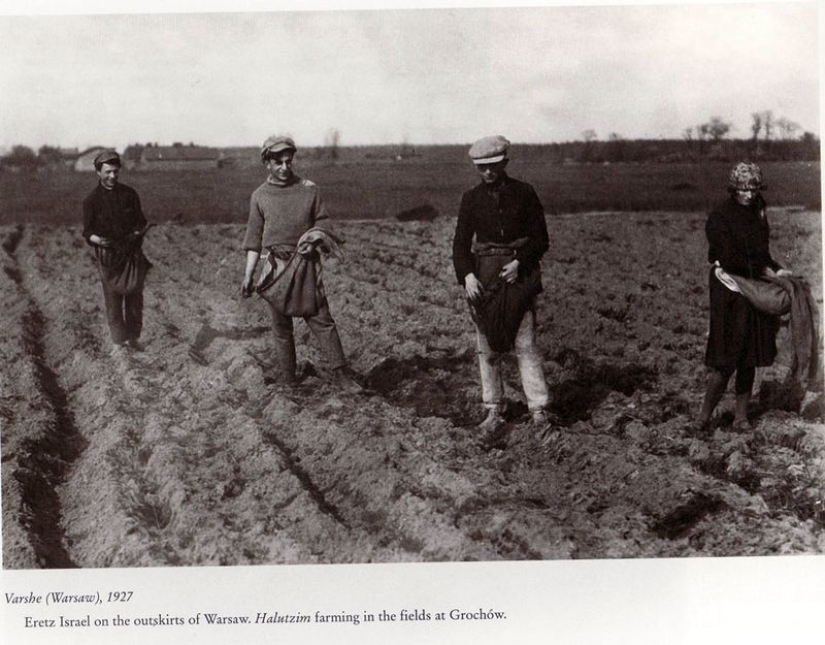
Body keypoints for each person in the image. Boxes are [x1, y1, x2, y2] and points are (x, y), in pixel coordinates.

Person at [242, 135, 362, 393]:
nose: (285, 167)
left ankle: (343, 377)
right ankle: (288, 379)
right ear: (267, 162)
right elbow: (253, 240)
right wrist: (248, 276)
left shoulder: (309, 190)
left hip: (304, 266)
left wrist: (316, 237)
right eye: (278, 163)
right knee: (281, 327)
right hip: (275, 269)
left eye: (288, 161)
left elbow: (324, 222)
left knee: (321, 319)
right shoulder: (260, 197)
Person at [452, 135, 552, 441]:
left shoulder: (524, 193)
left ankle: (539, 410)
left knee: (525, 344)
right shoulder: (471, 199)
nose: (487, 173)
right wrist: (467, 276)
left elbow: (540, 239)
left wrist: (520, 262)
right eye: (481, 168)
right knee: (487, 347)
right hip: (485, 277)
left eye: (492, 166)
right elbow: (460, 244)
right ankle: (494, 408)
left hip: (518, 277)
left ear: (504, 163)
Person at [695, 161, 792, 431]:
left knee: (749, 354)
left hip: (753, 285)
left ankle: (741, 416)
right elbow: (727, 257)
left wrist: (777, 268)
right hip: (729, 289)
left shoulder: (758, 212)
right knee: (726, 356)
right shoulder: (720, 217)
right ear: (734, 189)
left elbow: (762, 251)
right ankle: (703, 417)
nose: (750, 195)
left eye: (754, 189)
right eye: (744, 190)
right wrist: (764, 272)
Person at [82, 150, 152, 353]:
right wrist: (99, 241)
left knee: (135, 300)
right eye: (108, 172)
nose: (112, 176)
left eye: (115, 172)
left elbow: (141, 221)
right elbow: (88, 231)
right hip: (109, 258)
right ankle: (118, 344)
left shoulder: (130, 195)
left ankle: (133, 339)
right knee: (113, 301)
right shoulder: (92, 201)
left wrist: (138, 232)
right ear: (98, 172)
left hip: (131, 255)